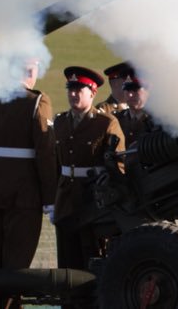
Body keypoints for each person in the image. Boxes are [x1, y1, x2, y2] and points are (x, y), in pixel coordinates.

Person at [0, 60, 57, 309]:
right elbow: (46, 154)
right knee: (16, 268)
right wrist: (50, 198)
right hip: (25, 197)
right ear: (30, 71)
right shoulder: (37, 102)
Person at [51, 66, 126, 292]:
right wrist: (51, 199)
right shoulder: (60, 122)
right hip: (65, 201)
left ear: (92, 93)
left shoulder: (106, 123)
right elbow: (54, 163)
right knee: (67, 262)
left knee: (92, 260)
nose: (73, 94)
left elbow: (119, 165)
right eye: (70, 89)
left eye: (79, 90)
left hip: (93, 204)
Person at [113, 73, 154, 150]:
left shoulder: (156, 121)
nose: (130, 95)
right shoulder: (116, 119)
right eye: (127, 90)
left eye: (135, 90)